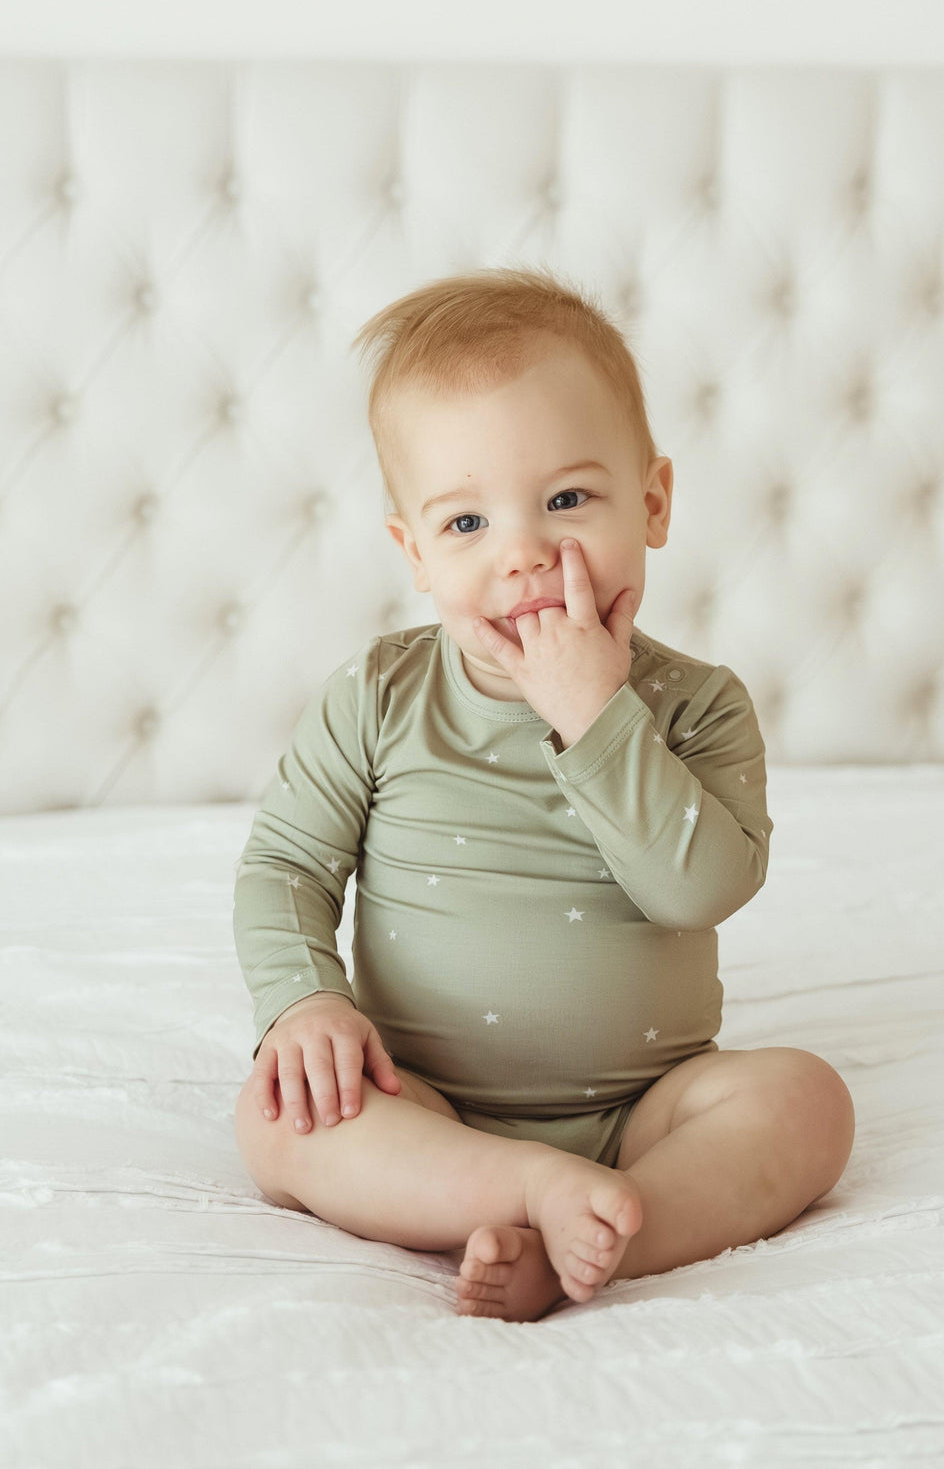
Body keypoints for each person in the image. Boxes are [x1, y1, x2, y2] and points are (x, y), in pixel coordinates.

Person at [232, 264, 855, 1323]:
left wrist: (597, 715)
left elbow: (698, 887)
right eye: (467, 525)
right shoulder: (380, 696)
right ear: (414, 551)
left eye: (567, 500)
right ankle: (532, 1197)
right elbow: (287, 863)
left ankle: (611, 1224)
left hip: (643, 1107)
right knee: (278, 1120)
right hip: (423, 1098)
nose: (523, 555)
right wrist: (306, 1002)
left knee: (809, 1104)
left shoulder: (698, 706)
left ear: (652, 503)